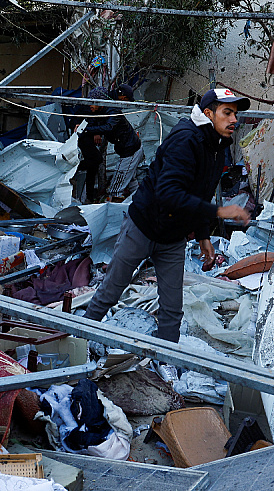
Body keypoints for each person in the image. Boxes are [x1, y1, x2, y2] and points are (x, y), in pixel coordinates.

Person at [83, 88, 251, 344]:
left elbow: (201, 193)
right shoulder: (185, 140)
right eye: (227, 113)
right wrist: (219, 212)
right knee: (110, 292)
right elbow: (169, 193)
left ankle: (165, 363)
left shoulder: (218, 147)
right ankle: (78, 342)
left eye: (235, 114)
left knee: (172, 309)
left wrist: (204, 235)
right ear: (208, 114)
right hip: (143, 227)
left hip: (173, 238)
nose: (233, 120)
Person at [77, 86, 143, 202]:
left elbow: (108, 127)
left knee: (115, 189)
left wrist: (87, 130)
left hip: (130, 151)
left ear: (101, 102)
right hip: (128, 150)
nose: (90, 105)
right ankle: (141, 203)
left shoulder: (113, 111)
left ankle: (112, 214)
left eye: (93, 102)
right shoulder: (102, 110)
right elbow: (93, 122)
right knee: (131, 183)